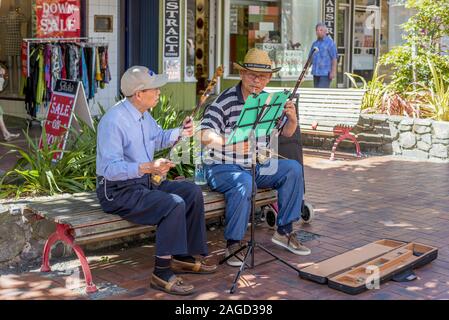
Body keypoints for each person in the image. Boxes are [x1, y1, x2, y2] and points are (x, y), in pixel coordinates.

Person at [96, 66, 217, 296]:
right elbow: (110, 170)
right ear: (139, 94)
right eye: (155, 89)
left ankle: (183, 257)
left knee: (191, 192)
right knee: (172, 203)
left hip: (143, 181)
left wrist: (181, 132)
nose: (159, 92)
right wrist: (148, 167)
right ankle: (161, 273)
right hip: (116, 191)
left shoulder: (143, 114)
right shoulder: (113, 121)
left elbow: (159, 137)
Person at [200, 48, 311, 267]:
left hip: (255, 164)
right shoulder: (224, 101)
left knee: (293, 169)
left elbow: (285, 134)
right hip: (221, 166)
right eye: (252, 74)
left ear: (269, 78)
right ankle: (233, 243)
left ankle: (284, 231)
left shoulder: (268, 102)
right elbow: (204, 134)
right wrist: (230, 142)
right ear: (241, 74)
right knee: (244, 182)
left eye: (263, 76)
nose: (257, 80)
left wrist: (292, 120)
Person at [310, 23, 338, 88]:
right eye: (317, 30)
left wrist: (333, 71)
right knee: (316, 92)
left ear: (325, 31)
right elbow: (310, 58)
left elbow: (334, 58)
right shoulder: (314, 44)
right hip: (316, 72)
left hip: (325, 73)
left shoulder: (330, 43)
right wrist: (305, 71)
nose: (318, 32)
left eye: (321, 30)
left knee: (321, 91)